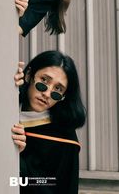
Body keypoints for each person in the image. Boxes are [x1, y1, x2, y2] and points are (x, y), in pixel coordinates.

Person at [12, 51, 86, 193]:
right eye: (44, 81)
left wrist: (17, 158)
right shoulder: (5, 111)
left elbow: (54, 187)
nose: (47, 94)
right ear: (28, 75)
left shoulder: (65, 140)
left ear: (63, 97)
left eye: (58, 89)